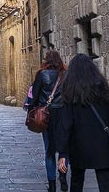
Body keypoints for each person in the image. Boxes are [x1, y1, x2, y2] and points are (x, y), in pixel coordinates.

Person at [55, 54, 109, 192]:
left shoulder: (70, 91)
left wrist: (63, 153)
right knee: (105, 182)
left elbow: (66, 124)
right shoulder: (101, 88)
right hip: (102, 143)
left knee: (76, 180)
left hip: (79, 144)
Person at [27, 51, 68, 192]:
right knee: (64, 148)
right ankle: (63, 176)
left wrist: (32, 108)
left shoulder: (42, 74)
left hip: (47, 115)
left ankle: (52, 185)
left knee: (49, 149)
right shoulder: (65, 74)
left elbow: (35, 94)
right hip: (63, 114)